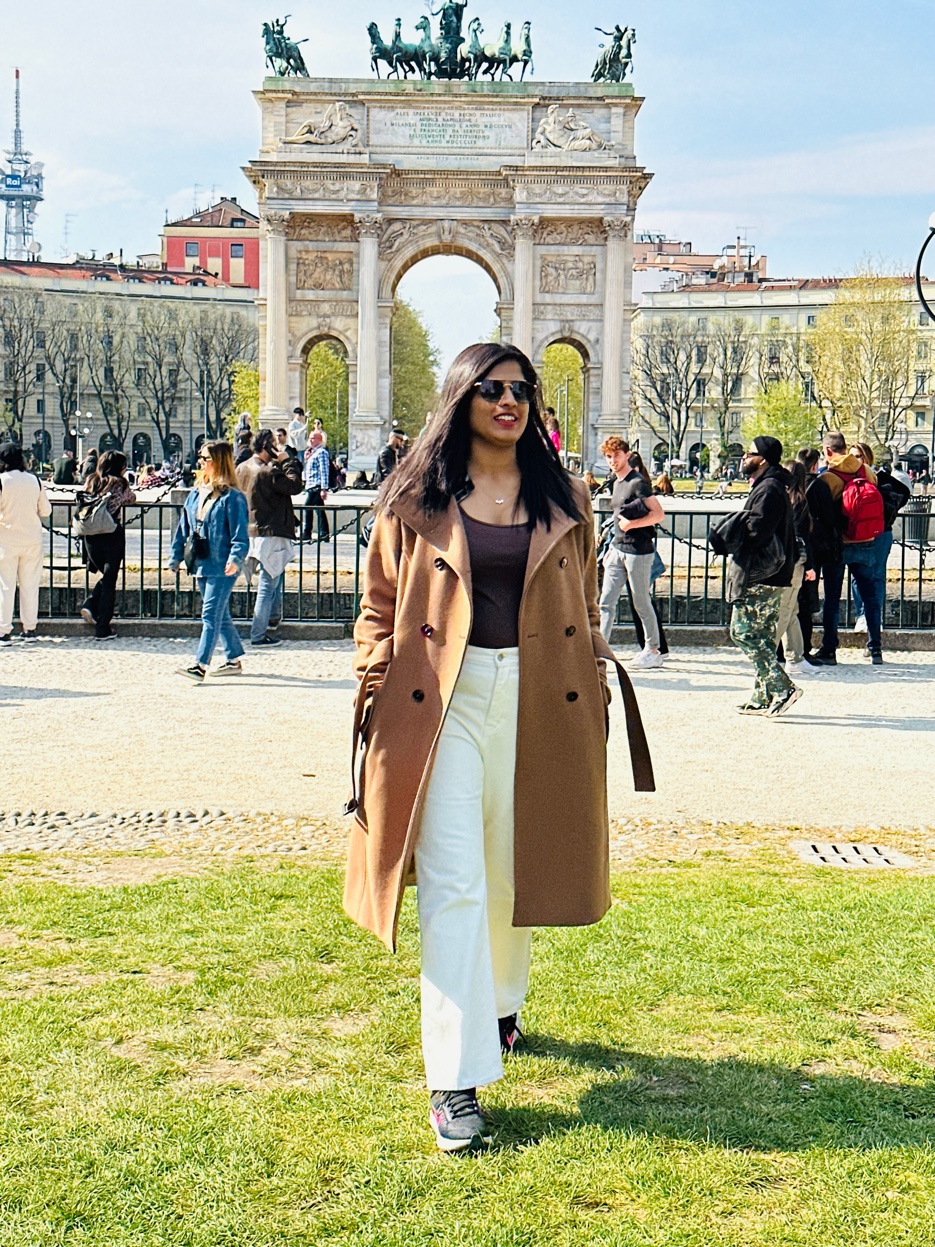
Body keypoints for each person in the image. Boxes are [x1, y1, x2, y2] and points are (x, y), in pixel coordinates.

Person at [346, 342, 653, 1152]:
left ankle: (500, 1003)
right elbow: (377, 604)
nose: (508, 400)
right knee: (453, 879)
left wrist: (592, 671)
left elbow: (584, 603)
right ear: (461, 398)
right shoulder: (412, 495)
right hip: (437, 697)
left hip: (540, 691)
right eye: (490, 388)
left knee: (515, 862)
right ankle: (453, 1077)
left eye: (520, 388)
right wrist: (375, 677)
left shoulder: (566, 495)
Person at [709, 436, 799, 715]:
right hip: (771, 572)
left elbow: (758, 531)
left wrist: (732, 535)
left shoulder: (769, 489)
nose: (744, 458)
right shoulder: (770, 485)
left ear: (763, 459)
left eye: (750, 453)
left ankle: (783, 687)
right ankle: (763, 695)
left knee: (743, 632)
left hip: (762, 572)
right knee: (762, 636)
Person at [169, 440, 249, 681]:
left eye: (206, 458)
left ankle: (200, 664)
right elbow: (183, 528)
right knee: (219, 613)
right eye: (201, 458)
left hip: (222, 564)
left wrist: (236, 558)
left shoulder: (233, 497)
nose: (201, 462)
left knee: (210, 614)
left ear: (219, 462)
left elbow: (240, 534)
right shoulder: (196, 494)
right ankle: (233, 658)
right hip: (201, 561)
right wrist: (175, 556)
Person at [810, 431, 885, 666]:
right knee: (870, 596)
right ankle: (875, 648)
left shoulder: (828, 478)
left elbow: (823, 513)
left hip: (838, 544)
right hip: (866, 540)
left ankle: (829, 649)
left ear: (828, 451)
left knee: (832, 598)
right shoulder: (867, 471)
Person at [597, 436, 666, 669]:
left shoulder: (638, 483)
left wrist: (632, 525)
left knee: (641, 601)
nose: (612, 460)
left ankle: (653, 650)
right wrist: (611, 545)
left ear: (626, 455)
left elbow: (658, 514)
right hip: (618, 549)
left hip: (638, 551)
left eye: (616, 455)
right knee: (606, 602)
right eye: (609, 456)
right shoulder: (616, 482)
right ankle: (600, 650)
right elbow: (617, 517)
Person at [236, 428, 303, 647]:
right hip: (270, 531)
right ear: (267, 446)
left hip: (251, 530)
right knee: (268, 583)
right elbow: (295, 485)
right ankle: (258, 633)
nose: (279, 447)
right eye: (275, 444)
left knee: (273, 577)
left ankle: (272, 617)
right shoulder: (268, 472)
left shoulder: (242, 468)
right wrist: (287, 461)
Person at [849, 443, 909, 645]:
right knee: (857, 575)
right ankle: (861, 615)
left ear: (868, 457)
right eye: (852, 456)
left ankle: (875, 617)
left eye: (859, 456)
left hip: (881, 532)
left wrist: (888, 513)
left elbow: (903, 493)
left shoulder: (879, 478)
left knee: (877, 575)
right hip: (857, 533)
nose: (856, 460)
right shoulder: (848, 478)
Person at [77, 450, 135, 641]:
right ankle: (102, 627)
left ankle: (91, 604)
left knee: (106, 576)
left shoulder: (91, 480)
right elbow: (130, 498)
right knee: (110, 580)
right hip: (111, 535)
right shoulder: (120, 483)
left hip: (91, 536)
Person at [0, 441, 52, 644]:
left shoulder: (2, 481)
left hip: (6, 540)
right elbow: (45, 511)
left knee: (5, 586)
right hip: (32, 539)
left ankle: (3, 630)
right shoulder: (34, 481)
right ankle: (29, 629)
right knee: (30, 585)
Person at [774, 459, 818, 678]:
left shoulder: (780, 498)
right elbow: (800, 537)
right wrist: (809, 565)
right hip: (795, 562)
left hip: (782, 559)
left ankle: (795, 656)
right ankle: (771, 653)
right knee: (787, 610)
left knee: (791, 610)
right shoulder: (799, 500)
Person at [302, 431, 332, 542]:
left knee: (307, 507)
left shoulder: (322, 452)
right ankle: (324, 533)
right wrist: (306, 459)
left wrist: (324, 488)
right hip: (311, 485)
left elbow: (324, 470)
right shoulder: (312, 453)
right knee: (319, 510)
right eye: (309, 438)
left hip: (317, 485)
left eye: (313, 438)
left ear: (319, 440)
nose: (310, 440)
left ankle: (307, 532)